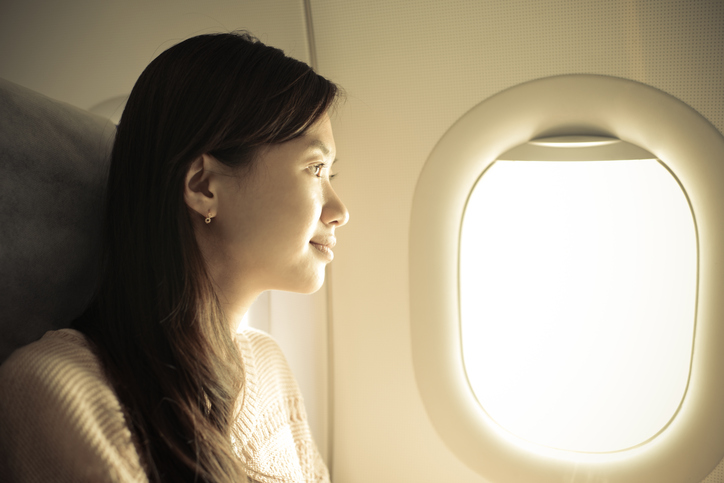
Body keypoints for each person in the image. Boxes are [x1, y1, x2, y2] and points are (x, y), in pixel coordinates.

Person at [0, 32, 348, 482]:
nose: (340, 211)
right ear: (204, 187)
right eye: (315, 169)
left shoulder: (268, 363)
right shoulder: (55, 388)